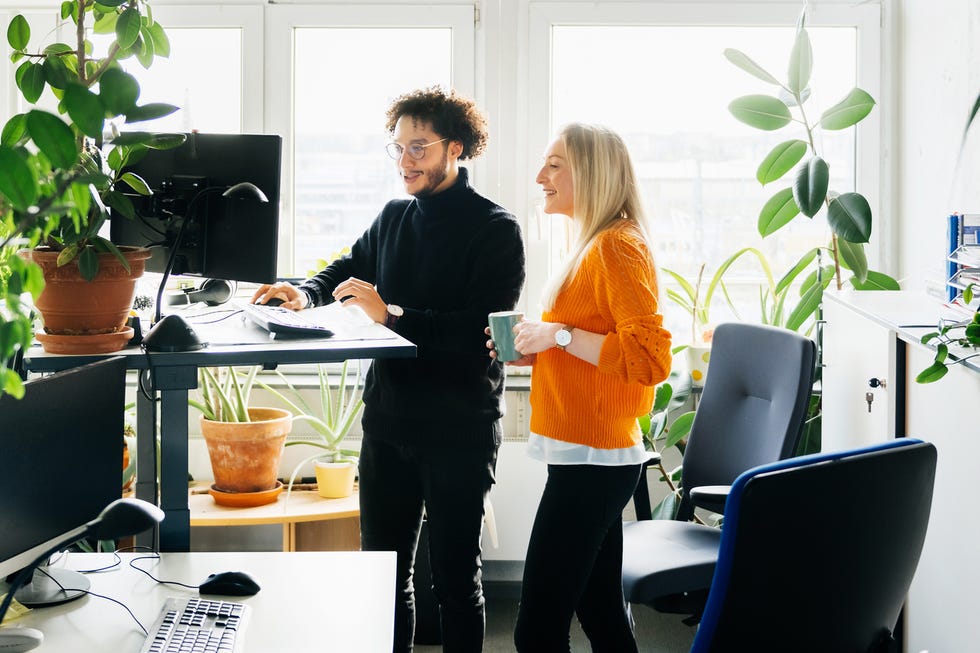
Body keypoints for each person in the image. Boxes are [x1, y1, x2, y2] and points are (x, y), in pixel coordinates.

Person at [252, 87, 526, 652]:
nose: (405, 161)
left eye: (418, 148)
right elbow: (345, 269)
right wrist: (303, 293)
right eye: (397, 148)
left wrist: (392, 314)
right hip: (389, 422)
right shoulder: (395, 216)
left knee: (454, 579)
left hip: (458, 428)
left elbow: (477, 334)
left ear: (456, 148)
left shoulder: (497, 229)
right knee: (383, 575)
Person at [489, 123, 672, 652]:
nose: (539, 176)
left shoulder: (618, 247)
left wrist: (561, 335)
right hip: (587, 454)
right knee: (601, 612)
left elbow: (648, 359)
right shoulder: (595, 244)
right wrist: (541, 348)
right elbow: (598, 348)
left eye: (554, 165)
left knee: (536, 631)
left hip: (596, 460)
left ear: (590, 173)